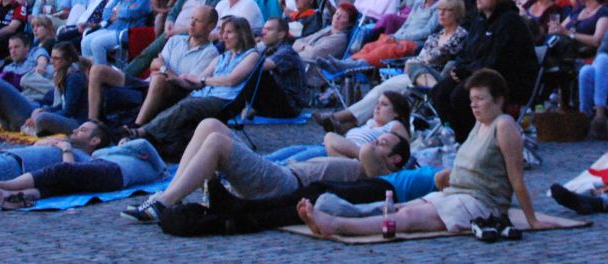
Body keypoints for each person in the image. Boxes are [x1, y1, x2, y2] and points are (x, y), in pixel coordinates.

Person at [296, 69, 540, 237]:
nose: (473, 104)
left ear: (498, 101)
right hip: (459, 192)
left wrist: (533, 220)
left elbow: (516, 179)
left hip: (482, 204)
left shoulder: (504, 125)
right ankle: (332, 211)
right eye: (472, 99)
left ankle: (336, 225)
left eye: (480, 99)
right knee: (398, 208)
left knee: (409, 218)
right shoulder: (481, 124)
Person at [122, 116, 409, 223]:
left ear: (395, 159)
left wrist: (382, 135)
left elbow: (367, 151)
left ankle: (163, 203)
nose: (374, 139)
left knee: (217, 142)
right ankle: (171, 193)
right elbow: (331, 138)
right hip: (279, 171)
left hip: (284, 184)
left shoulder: (379, 173)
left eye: (383, 141)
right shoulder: (358, 162)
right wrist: (369, 139)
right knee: (209, 124)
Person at [321, 0, 467, 133]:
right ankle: (346, 124)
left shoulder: (460, 34)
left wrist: (412, 62)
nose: (440, 14)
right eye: (439, 10)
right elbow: (424, 57)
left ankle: (338, 118)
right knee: (381, 90)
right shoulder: (436, 36)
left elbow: (438, 57)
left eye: (446, 11)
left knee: (385, 91)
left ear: (456, 13)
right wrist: (413, 62)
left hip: (430, 77)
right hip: (414, 72)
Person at [129, 15, 261, 153]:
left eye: (229, 32)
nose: (224, 37)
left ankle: (141, 132)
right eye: (222, 32)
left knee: (186, 106)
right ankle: (147, 138)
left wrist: (203, 81)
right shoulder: (222, 57)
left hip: (225, 100)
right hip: (204, 95)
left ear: (241, 34)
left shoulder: (251, 55)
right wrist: (174, 78)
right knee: (170, 97)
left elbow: (231, 80)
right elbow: (197, 82)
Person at [431, 0, 535, 138]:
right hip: (478, 74)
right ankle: (459, 138)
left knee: (459, 96)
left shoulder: (511, 22)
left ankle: (474, 139)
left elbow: (498, 60)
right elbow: (466, 52)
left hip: (505, 80)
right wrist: (458, 68)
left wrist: (467, 72)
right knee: (439, 91)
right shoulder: (480, 21)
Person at [0, 137, 169, 211]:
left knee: (61, 171)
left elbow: (143, 144)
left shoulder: (144, 159)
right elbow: (89, 159)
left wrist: (161, 169)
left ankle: (6, 184)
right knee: (58, 186)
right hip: (110, 174)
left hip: (115, 172)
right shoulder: (103, 154)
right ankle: (13, 198)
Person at [0, 42, 90, 135]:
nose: (52, 62)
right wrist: (43, 109)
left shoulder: (74, 77)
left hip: (74, 122)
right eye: (52, 58)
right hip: (43, 106)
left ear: (68, 60)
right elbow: (61, 105)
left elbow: (68, 111)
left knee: (42, 118)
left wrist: (43, 112)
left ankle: (25, 127)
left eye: (56, 58)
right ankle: (13, 125)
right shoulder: (63, 74)